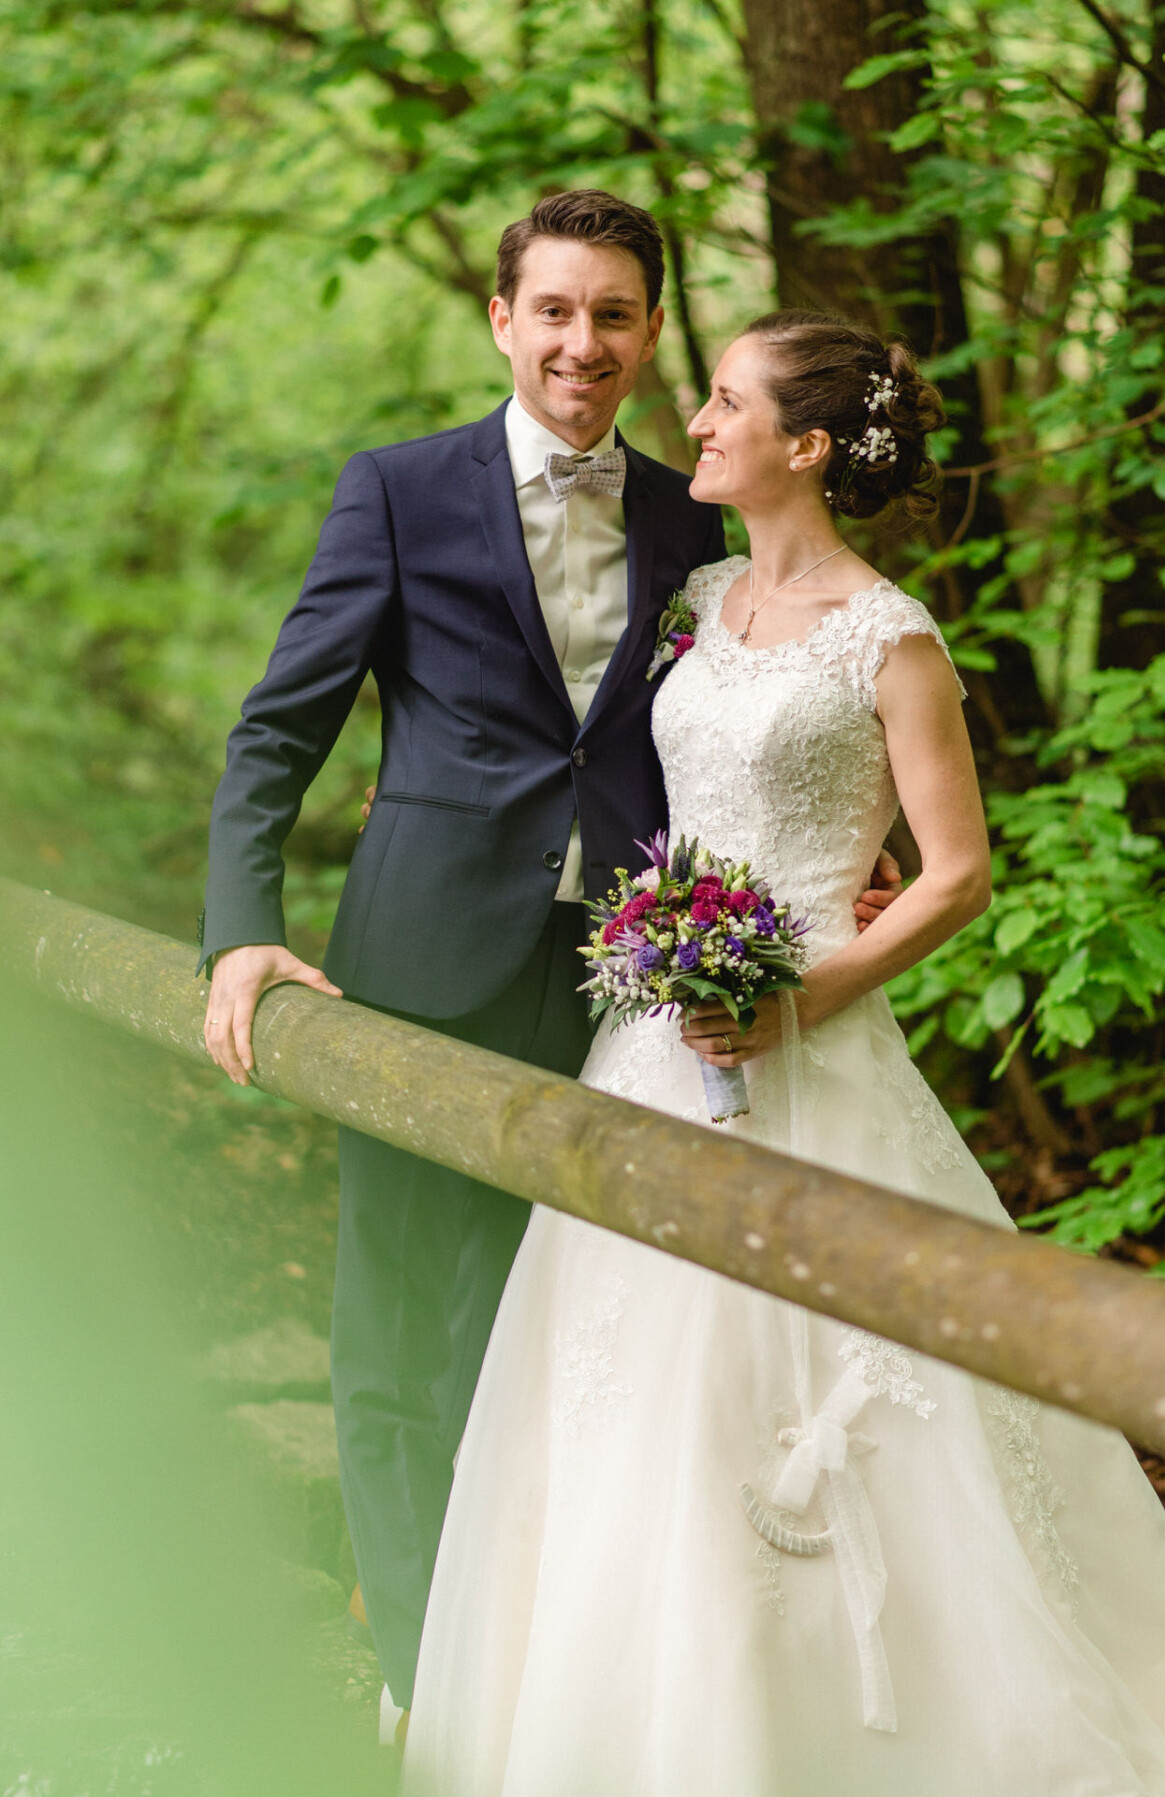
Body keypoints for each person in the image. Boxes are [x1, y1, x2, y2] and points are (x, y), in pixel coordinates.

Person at [399, 313, 1165, 1796]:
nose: (693, 419)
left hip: (807, 1043)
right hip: (650, 1043)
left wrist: (804, 995)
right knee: (621, 1388)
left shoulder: (891, 635)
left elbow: (955, 870)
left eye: (723, 400)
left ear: (806, 445)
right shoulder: (695, 596)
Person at [196, 188, 907, 1747]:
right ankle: (415, 1674)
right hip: (416, 967)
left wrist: (847, 851)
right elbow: (277, 730)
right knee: (398, 1337)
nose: (585, 343)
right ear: (504, 319)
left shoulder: (690, 518)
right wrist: (242, 925)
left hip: (627, 996)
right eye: (557, 310)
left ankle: (556, 1669)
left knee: (568, 1343)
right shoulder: (394, 491)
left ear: (652, 335)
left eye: (617, 316)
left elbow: (734, 714)